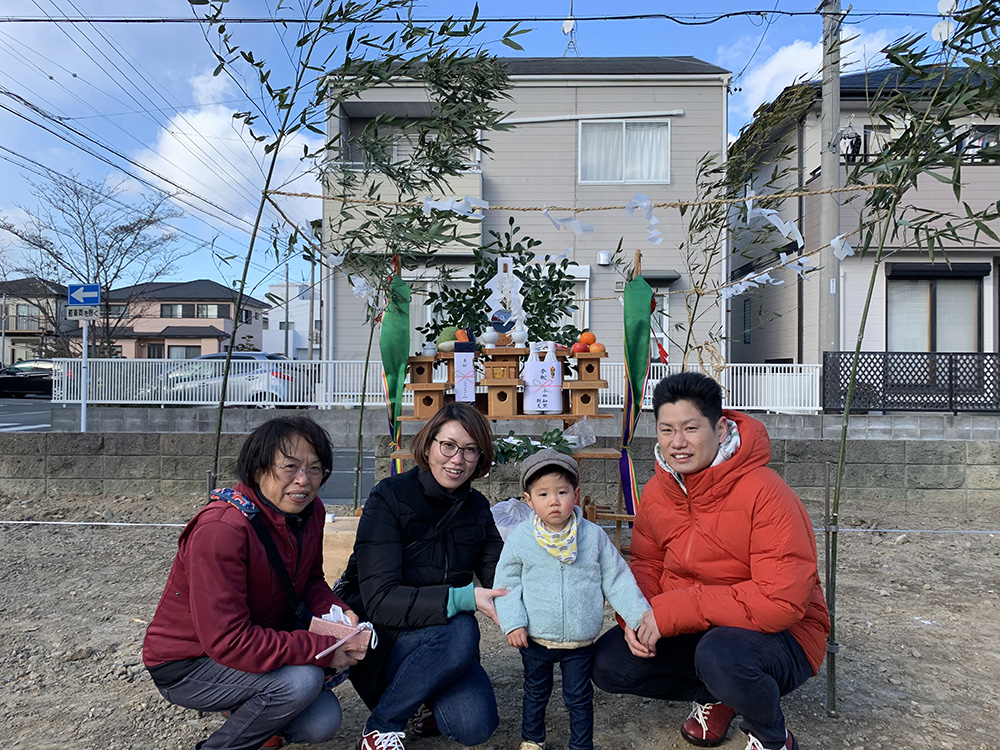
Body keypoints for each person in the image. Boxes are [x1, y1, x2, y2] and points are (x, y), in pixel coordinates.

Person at [591, 372, 830, 750]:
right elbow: (647, 565)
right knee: (608, 663)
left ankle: (771, 735)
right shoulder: (658, 491)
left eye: (690, 428)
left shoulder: (766, 493)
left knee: (721, 655)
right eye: (667, 430)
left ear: (720, 429)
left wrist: (676, 609)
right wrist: (636, 617)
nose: (678, 443)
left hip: (782, 635)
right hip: (698, 626)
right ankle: (717, 696)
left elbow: (781, 602)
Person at [143, 416, 365, 750]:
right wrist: (321, 650)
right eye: (289, 467)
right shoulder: (221, 530)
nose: (303, 481)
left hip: (254, 640)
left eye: (315, 469)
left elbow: (311, 581)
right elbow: (228, 641)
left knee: (321, 723)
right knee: (301, 682)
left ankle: (251, 711)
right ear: (259, 467)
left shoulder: (311, 511)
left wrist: (341, 614)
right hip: (189, 663)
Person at [337, 402, 507, 750]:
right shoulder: (389, 497)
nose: (457, 459)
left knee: (474, 726)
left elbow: (502, 576)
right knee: (462, 626)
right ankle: (383, 725)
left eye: (470, 450)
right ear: (429, 445)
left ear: (481, 458)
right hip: (384, 638)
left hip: (442, 644)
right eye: (448, 445)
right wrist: (461, 598)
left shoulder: (476, 508)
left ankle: (423, 697)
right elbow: (381, 601)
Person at [494, 449, 650, 750]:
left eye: (562, 492)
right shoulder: (521, 538)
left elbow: (616, 578)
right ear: (529, 501)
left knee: (578, 697)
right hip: (535, 637)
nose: (554, 501)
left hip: (579, 640)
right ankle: (532, 739)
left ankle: (581, 744)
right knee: (535, 692)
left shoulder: (592, 537)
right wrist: (513, 622)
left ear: (576, 494)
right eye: (543, 494)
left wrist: (637, 617)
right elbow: (507, 583)